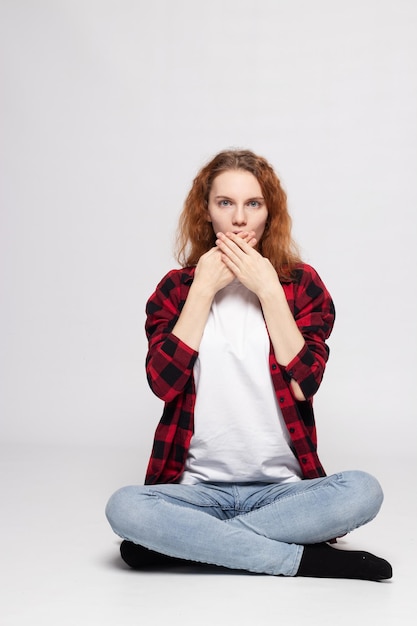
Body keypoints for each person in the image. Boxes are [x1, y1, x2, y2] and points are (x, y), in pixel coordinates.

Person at [105, 149, 392, 580]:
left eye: (252, 204)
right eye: (226, 204)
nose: (239, 218)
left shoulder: (302, 285)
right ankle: (300, 560)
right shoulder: (176, 289)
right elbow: (164, 384)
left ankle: (191, 545)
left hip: (284, 494)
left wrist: (269, 291)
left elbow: (305, 383)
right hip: (195, 493)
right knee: (125, 507)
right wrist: (202, 290)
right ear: (207, 214)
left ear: (268, 213)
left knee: (363, 491)